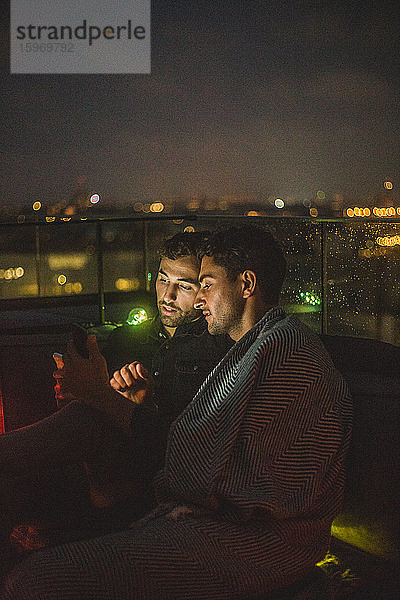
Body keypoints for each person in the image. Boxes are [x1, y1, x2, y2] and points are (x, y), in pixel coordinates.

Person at [1, 224, 352, 600]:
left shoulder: (281, 356)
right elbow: (203, 456)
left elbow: (217, 478)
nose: (198, 300)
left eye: (204, 285)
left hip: (257, 542)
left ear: (246, 284)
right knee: (86, 427)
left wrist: (110, 403)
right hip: (211, 516)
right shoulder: (253, 348)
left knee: (34, 581)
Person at [0, 232, 231, 566]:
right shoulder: (130, 337)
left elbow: (186, 440)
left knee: (84, 422)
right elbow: (94, 404)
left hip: (163, 474)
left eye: (185, 285)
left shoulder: (214, 347)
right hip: (103, 465)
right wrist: (73, 393)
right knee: (78, 420)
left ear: (203, 293)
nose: (167, 295)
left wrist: (123, 403)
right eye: (163, 279)